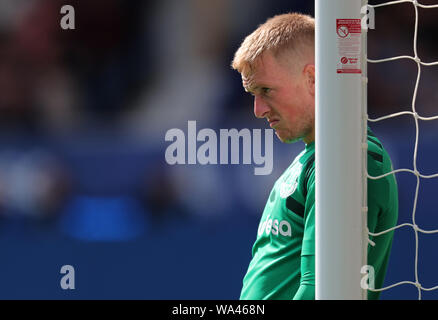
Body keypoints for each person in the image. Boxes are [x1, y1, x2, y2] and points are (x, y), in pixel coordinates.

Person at [231, 12, 398, 300]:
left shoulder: (347, 159)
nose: (258, 109)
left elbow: (319, 291)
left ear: (312, 78)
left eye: (266, 90)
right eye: (252, 94)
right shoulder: (310, 159)